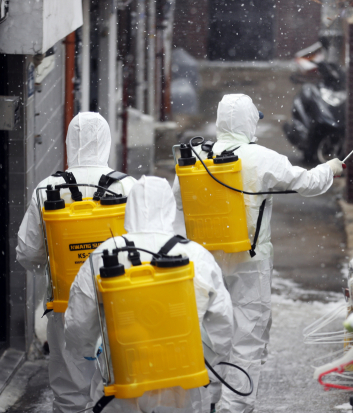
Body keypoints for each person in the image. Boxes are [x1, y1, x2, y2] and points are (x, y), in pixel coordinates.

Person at [172, 94, 343, 412]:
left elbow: (176, 205)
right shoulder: (261, 158)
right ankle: (234, 405)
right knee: (248, 332)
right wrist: (330, 169)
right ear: (249, 121)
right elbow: (305, 183)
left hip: (205, 260)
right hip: (249, 260)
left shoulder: (196, 158)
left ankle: (207, 397)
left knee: (209, 329)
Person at [64, 176, 234, 412]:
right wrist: (213, 379)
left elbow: (78, 322)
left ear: (129, 207)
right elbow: (222, 323)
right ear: (169, 208)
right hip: (182, 381)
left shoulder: (103, 254)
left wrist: (89, 356)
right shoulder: (196, 254)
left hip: (123, 379)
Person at [16, 112, 137, 413]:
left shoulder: (47, 189)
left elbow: (28, 252)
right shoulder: (128, 187)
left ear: (70, 142)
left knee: (69, 394)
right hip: (119, 302)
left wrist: (51, 265)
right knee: (119, 388)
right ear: (107, 142)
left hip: (65, 304)